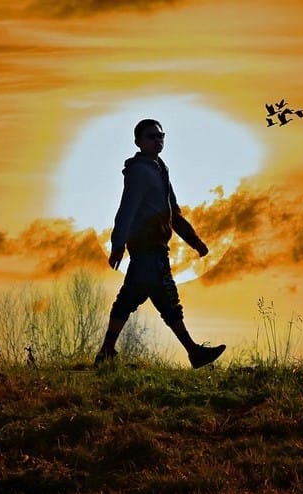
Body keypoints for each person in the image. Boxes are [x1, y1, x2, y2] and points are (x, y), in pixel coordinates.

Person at [95, 119, 227, 368]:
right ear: (138, 142)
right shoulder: (139, 172)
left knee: (131, 299)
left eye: (161, 136)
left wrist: (195, 241)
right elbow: (127, 208)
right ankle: (193, 352)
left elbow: (173, 213)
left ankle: (106, 352)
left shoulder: (160, 169)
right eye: (151, 136)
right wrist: (118, 244)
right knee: (167, 299)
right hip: (146, 249)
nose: (158, 140)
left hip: (155, 248)